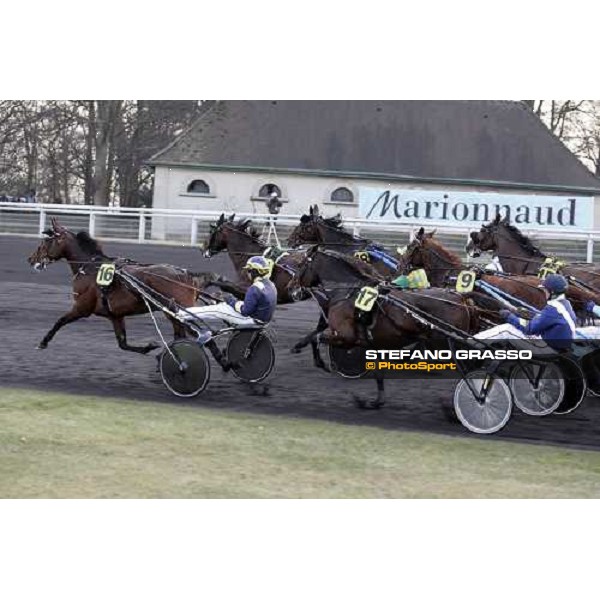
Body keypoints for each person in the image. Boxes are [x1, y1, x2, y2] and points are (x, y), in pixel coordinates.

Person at [178, 256, 277, 369]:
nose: (247, 273)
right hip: (262, 319)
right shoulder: (270, 285)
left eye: (249, 271)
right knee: (224, 306)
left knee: (218, 309)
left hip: (250, 320)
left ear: (255, 271)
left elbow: (245, 311)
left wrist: (231, 300)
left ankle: (182, 313)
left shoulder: (255, 288)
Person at [489, 274, 576, 351]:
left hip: (547, 348)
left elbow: (529, 329)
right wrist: (523, 313)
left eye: (545, 290)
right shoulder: (565, 303)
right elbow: (544, 319)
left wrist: (509, 316)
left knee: (506, 329)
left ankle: (475, 344)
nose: (544, 293)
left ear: (552, 292)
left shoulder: (553, 308)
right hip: (560, 345)